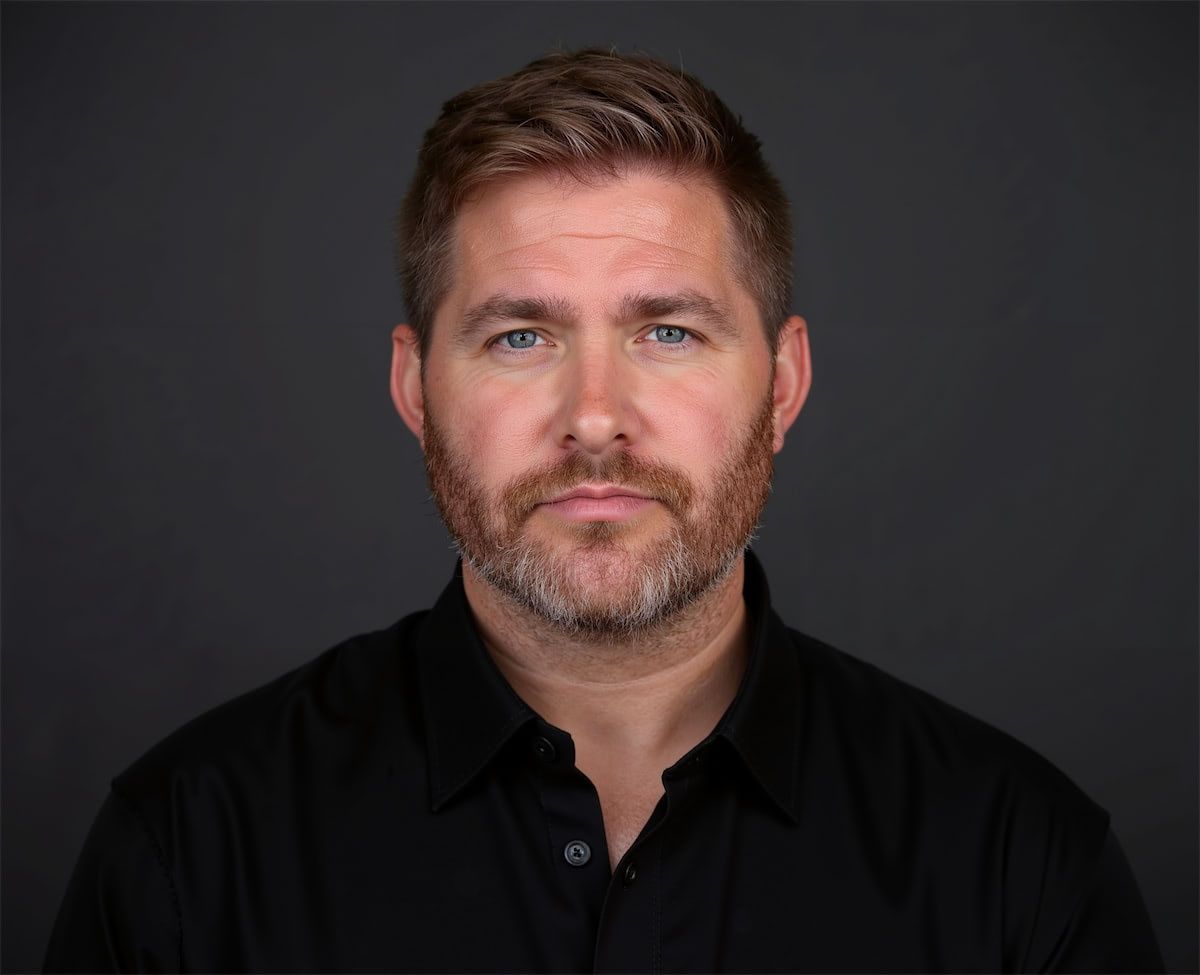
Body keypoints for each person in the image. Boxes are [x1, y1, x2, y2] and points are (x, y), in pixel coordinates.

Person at [44, 48, 1165, 974]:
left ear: (781, 385)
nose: (593, 417)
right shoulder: (191, 849)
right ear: (413, 387)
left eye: (667, 331)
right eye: (520, 336)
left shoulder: (1020, 861)